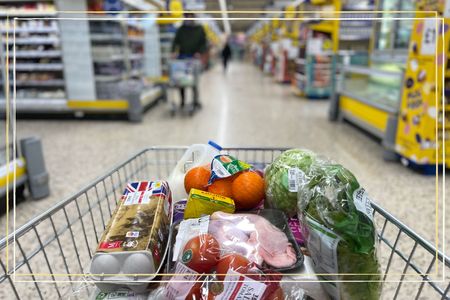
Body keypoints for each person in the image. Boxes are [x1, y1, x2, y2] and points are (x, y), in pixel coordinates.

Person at [171, 12, 207, 109]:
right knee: (181, 81)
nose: (188, 19)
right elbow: (175, 42)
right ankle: (182, 101)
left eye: (190, 17)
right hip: (182, 58)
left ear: (194, 18)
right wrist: (173, 51)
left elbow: (203, 43)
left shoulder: (200, 29)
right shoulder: (181, 30)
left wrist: (199, 52)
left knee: (194, 82)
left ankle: (195, 101)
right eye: (186, 17)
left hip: (194, 59)